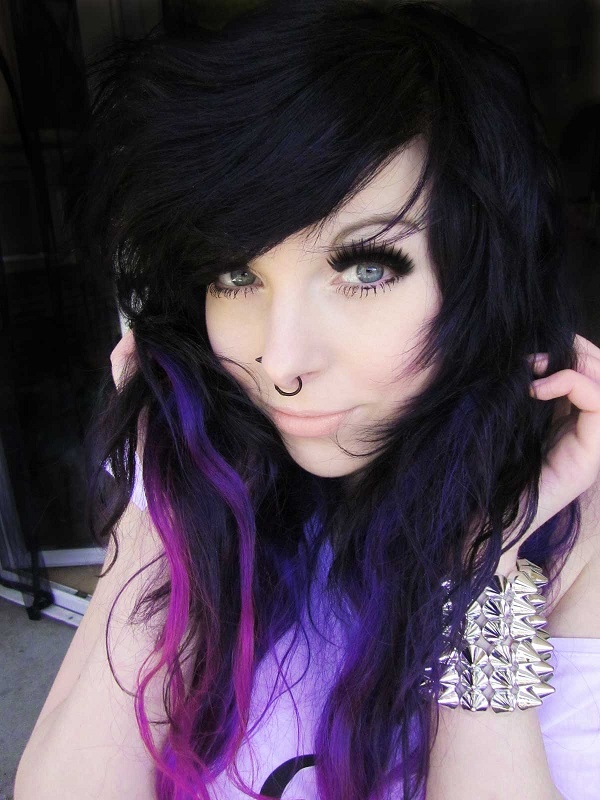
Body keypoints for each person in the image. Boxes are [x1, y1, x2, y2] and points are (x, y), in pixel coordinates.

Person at [15, 1, 600, 799]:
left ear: (483, 282)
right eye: (236, 274)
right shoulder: (198, 474)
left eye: (366, 269)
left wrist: (481, 565)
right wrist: (160, 513)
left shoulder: (572, 525)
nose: (281, 363)